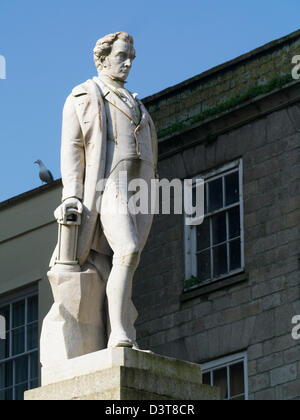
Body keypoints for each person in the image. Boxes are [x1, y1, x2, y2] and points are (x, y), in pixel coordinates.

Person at [51, 32, 158, 349]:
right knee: (128, 250)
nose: (127, 62)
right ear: (102, 57)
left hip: (141, 189)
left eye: (131, 57)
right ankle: (119, 333)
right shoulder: (83, 96)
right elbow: (72, 149)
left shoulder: (136, 102)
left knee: (125, 260)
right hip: (106, 183)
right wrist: (71, 195)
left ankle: (125, 330)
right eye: (121, 55)